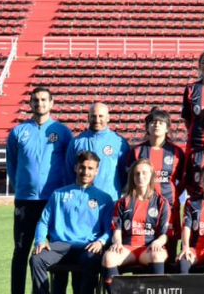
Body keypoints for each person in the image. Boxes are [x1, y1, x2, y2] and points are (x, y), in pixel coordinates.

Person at [7, 86, 73, 294]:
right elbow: (12, 164)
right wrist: (22, 188)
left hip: (54, 201)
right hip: (25, 201)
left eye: (44, 100)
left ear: (52, 103)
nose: (39, 103)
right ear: (30, 103)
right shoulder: (18, 132)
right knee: (21, 251)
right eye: (35, 100)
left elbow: (69, 164)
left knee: (57, 251)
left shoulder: (62, 132)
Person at [29, 151, 112, 294]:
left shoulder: (104, 198)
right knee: (37, 259)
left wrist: (101, 242)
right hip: (59, 246)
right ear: (75, 167)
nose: (86, 172)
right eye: (82, 167)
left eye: (90, 168)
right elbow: (43, 222)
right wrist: (40, 241)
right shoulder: (58, 194)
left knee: (93, 259)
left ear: (96, 171)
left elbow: (109, 229)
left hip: (87, 247)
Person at [102, 159, 171, 292]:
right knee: (108, 257)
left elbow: (164, 234)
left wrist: (157, 242)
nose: (140, 176)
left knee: (158, 255)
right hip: (128, 248)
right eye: (137, 173)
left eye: (144, 173)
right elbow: (117, 229)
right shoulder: (122, 202)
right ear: (132, 177)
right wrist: (117, 242)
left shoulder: (161, 202)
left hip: (148, 248)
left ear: (151, 175)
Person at [126, 108, 185, 256]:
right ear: (147, 127)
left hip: (169, 203)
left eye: (161, 122)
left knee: (170, 243)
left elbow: (184, 180)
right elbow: (130, 178)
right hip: (142, 204)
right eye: (153, 122)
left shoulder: (176, 152)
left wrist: (174, 196)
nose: (156, 125)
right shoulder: (137, 151)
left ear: (167, 128)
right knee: (143, 243)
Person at [67, 103, 129, 201]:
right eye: (93, 116)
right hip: (82, 198)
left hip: (109, 199)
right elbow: (69, 172)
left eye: (100, 116)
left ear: (108, 118)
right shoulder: (76, 142)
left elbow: (124, 173)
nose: (97, 120)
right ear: (88, 117)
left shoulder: (118, 142)